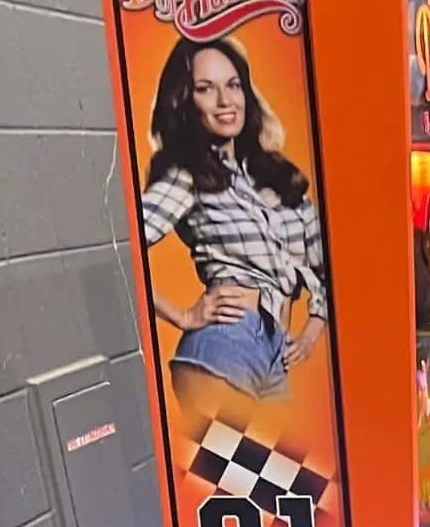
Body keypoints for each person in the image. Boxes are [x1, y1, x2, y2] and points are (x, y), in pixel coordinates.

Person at [139, 36, 328, 416]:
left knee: (278, 458)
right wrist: (181, 315)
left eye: (233, 85)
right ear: (185, 101)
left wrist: (311, 332)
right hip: (223, 346)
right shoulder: (187, 176)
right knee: (229, 455)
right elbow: (117, 246)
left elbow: (324, 268)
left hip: (272, 356)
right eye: (206, 89)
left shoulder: (275, 177)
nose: (225, 101)